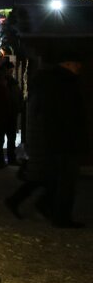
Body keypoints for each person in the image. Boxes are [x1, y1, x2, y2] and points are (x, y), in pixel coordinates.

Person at [8, 52, 87, 227]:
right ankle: (57, 214)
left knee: (50, 178)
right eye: (75, 63)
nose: (79, 67)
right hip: (60, 138)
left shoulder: (52, 83)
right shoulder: (62, 84)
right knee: (59, 179)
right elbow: (64, 114)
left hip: (52, 138)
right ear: (66, 64)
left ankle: (43, 206)